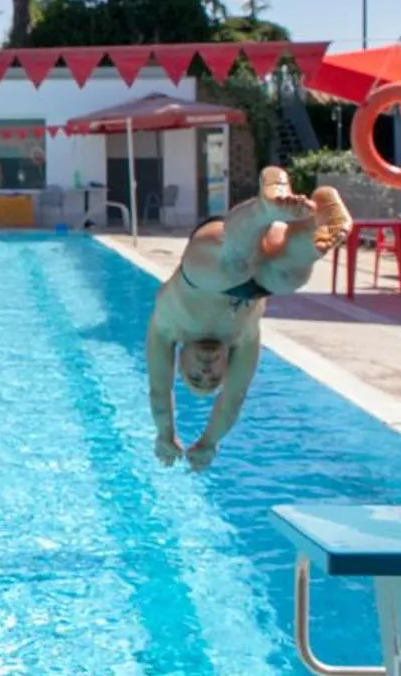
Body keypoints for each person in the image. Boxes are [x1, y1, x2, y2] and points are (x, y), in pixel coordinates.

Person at [147, 167, 351, 471]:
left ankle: (264, 207)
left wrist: (165, 434)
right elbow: (233, 400)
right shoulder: (243, 339)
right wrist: (208, 443)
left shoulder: (167, 329)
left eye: (195, 376)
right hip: (262, 273)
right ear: (225, 366)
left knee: (233, 266)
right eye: (214, 377)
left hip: (216, 249)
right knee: (286, 278)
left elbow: (159, 391)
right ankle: (317, 222)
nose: (206, 370)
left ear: (181, 363)